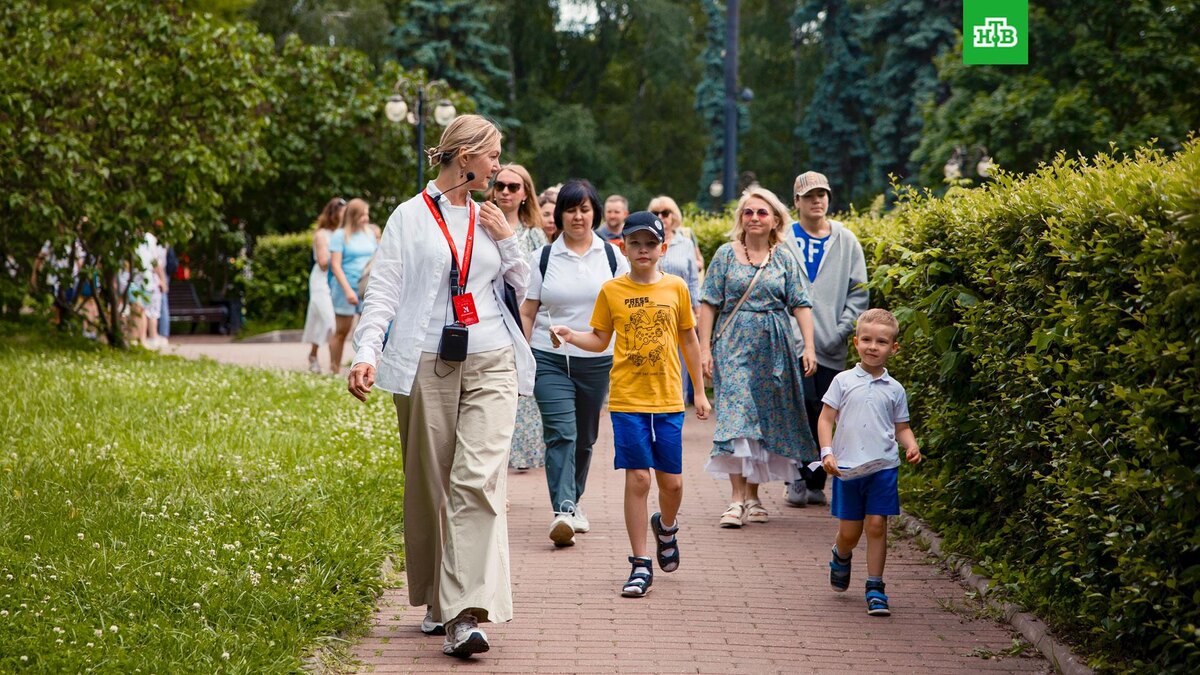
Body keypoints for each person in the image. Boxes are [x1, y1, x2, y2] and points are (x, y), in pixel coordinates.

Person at [347, 115, 532, 658]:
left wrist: (511, 241)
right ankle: (434, 596)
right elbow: (383, 290)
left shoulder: (491, 217)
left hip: (493, 357)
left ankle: (464, 613)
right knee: (429, 485)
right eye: (493, 155)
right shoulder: (410, 217)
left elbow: (526, 290)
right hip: (426, 360)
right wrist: (366, 352)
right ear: (466, 154)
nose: (498, 166)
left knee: (475, 480)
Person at [551, 211, 711, 598]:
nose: (643, 250)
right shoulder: (612, 290)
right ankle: (640, 563)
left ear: (663, 248)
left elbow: (689, 340)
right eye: (635, 243)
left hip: (669, 397)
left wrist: (701, 391)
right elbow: (600, 339)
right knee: (639, 478)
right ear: (623, 247)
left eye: (650, 243)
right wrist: (572, 336)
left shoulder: (675, 288)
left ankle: (666, 526)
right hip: (627, 398)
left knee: (671, 483)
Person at [697, 186, 818, 528]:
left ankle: (753, 496)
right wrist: (704, 349)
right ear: (740, 219)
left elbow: (801, 304)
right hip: (732, 344)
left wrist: (808, 347)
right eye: (748, 212)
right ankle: (736, 500)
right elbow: (708, 303)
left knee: (761, 421)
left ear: (775, 220)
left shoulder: (783, 258)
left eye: (762, 213)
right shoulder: (724, 254)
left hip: (774, 347)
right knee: (737, 419)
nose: (754, 218)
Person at [520, 179, 628, 547]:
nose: (578, 216)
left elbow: (627, 311)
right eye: (570, 209)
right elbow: (529, 311)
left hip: (597, 360)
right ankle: (563, 509)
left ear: (594, 212)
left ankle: (573, 501)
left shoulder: (613, 257)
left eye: (584, 209)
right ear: (560, 214)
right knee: (561, 433)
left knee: (585, 439)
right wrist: (522, 355)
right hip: (549, 357)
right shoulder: (543, 258)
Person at [819, 308, 921, 617]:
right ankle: (841, 554)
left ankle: (875, 587)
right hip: (847, 469)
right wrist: (827, 451)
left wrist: (911, 445)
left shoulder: (895, 389)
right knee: (850, 532)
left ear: (894, 348)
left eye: (881, 341)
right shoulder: (843, 381)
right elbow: (826, 418)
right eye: (866, 340)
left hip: (883, 466)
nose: (873, 347)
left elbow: (901, 427)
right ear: (855, 342)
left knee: (877, 525)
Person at [782, 171, 869, 507]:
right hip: (792, 345)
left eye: (822, 195)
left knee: (825, 411)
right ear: (797, 202)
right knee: (797, 409)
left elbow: (858, 291)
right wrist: (793, 336)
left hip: (831, 346)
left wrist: (840, 330)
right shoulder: (785, 238)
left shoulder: (846, 240)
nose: (816, 201)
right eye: (809, 196)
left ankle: (816, 479)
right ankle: (796, 476)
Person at [485, 164, 549, 472]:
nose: (506, 192)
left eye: (513, 187)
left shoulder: (534, 235)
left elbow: (542, 284)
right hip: (487, 321)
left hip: (524, 326)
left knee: (519, 400)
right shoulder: (482, 223)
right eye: (500, 186)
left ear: (525, 194)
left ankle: (512, 465)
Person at [648, 195, 701, 405]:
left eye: (665, 213)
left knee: (681, 358)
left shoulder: (685, 243)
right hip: (651, 309)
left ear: (674, 216)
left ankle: (677, 401)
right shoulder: (646, 241)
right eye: (656, 213)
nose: (661, 217)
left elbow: (693, 280)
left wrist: (697, 310)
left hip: (680, 309)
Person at [328, 198, 380, 375]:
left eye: (367, 214)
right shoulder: (340, 236)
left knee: (368, 331)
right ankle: (334, 368)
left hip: (366, 287)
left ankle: (361, 368)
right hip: (345, 289)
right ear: (353, 216)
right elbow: (335, 266)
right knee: (342, 331)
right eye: (362, 214)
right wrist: (348, 291)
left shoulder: (369, 234)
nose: (366, 218)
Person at [302, 197, 345, 373]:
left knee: (319, 321)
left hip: (337, 280)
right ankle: (335, 367)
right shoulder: (322, 235)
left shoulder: (343, 233)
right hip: (321, 280)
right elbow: (322, 262)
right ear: (333, 214)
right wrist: (339, 254)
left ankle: (313, 355)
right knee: (330, 322)